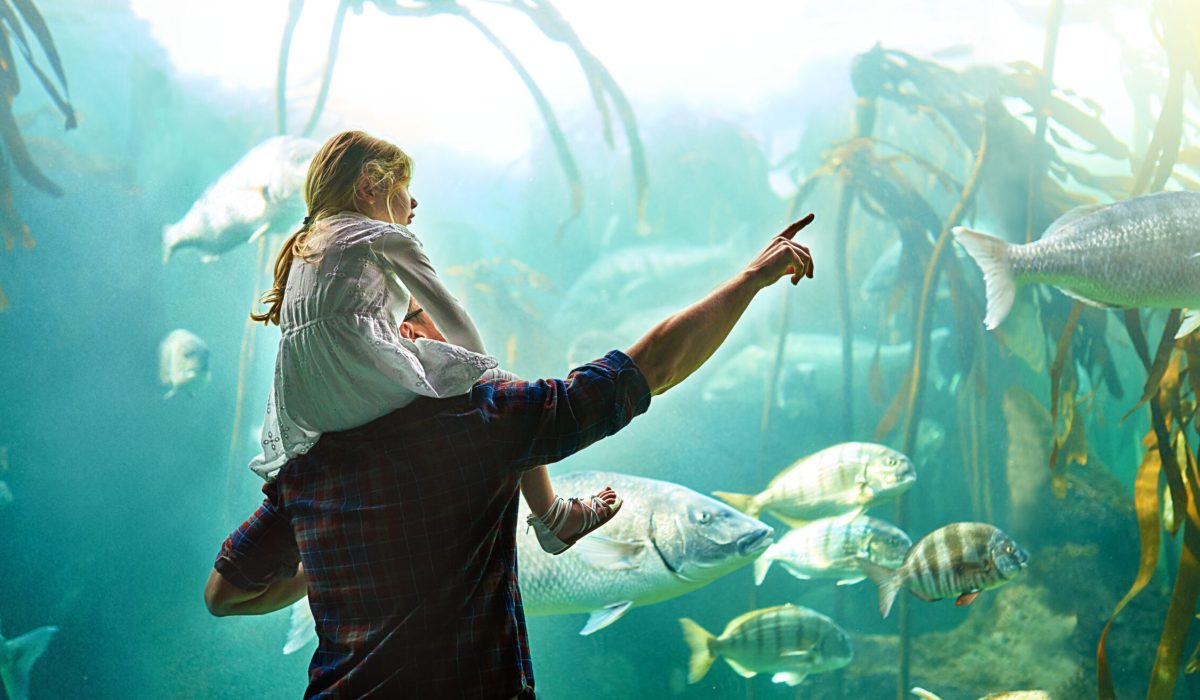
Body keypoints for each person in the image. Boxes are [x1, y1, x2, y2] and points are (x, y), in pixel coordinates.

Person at [206, 211, 816, 698]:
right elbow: (648, 368)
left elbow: (223, 595)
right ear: (403, 336)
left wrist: (319, 573)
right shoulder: (482, 421)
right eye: (425, 311)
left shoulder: (311, 466)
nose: (451, 329)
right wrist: (749, 280)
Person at [246, 130, 620, 554]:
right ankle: (553, 517)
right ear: (369, 188)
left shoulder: (303, 247)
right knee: (508, 387)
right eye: (404, 188)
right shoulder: (381, 236)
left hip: (311, 408)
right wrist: (484, 376)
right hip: (361, 391)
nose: (414, 202)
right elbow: (454, 319)